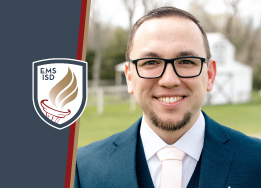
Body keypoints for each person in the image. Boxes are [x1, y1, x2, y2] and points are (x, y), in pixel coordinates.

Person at [74, 7, 261, 188]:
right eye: (151, 62)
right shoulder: (83, 168)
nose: (169, 80)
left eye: (186, 61)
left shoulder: (257, 160)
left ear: (210, 75)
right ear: (129, 77)